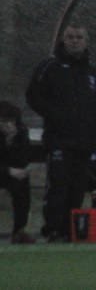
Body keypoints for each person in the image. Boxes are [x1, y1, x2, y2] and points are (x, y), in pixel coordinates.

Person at [26, 23, 96, 242]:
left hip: (84, 141)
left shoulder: (92, 73)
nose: (74, 41)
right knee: (57, 186)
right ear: (63, 40)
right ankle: (53, 229)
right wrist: (54, 115)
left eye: (79, 37)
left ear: (86, 41)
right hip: (59, 139)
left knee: (77, 188)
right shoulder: (50, 67)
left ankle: (70, 229)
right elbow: (33, 95)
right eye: (70, 37)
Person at [0, 101, 36, 244]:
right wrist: (8, 170)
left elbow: (23, 158)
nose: (8, 125)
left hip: (11, 173)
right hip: (5, 170)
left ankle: (19, 230)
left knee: (21, 187)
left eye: (11, 121)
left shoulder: (21, 132)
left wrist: (11, 141)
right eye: (3, 121)